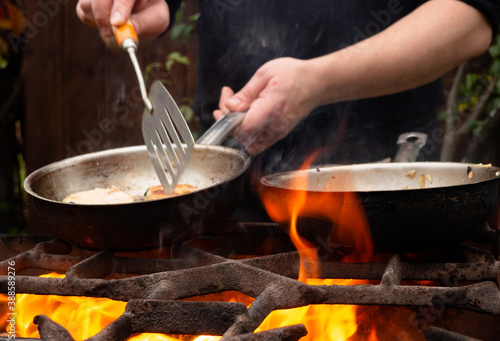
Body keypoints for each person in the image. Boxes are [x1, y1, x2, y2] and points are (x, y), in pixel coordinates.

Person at [76, 0, 500, 219]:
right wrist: (126, 11)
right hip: (228, 194)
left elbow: (471, 19)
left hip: (385, 191)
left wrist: (317, 83)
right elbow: (146, 12)